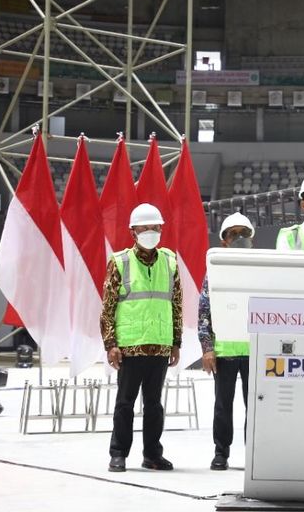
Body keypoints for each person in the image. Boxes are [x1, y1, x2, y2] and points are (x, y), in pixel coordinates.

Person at [101, 203, 181, 473]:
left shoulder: (170, 261)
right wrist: (110, 344)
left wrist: (176, 342)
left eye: (155, 227)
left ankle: (152, 455)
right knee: (125, 403)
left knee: (154, 406)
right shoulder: (120, 261)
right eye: (144, 227)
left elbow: (176, 304)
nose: (150, 231)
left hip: (159, 345)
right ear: (133, 231)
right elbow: (108, 306)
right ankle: (118, 453)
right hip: (130, 347)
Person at [198, 212, 255, 471]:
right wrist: (208, 349)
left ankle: (255, 454)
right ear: (224, 241)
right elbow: (204, 312)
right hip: (224, 351)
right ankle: (221, 453)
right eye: (234, 234)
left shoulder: (261, 270)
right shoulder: (214, 273)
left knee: (256, 407)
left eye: (244, 233)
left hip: (255, 350)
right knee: (223, 406)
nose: (240, 238)